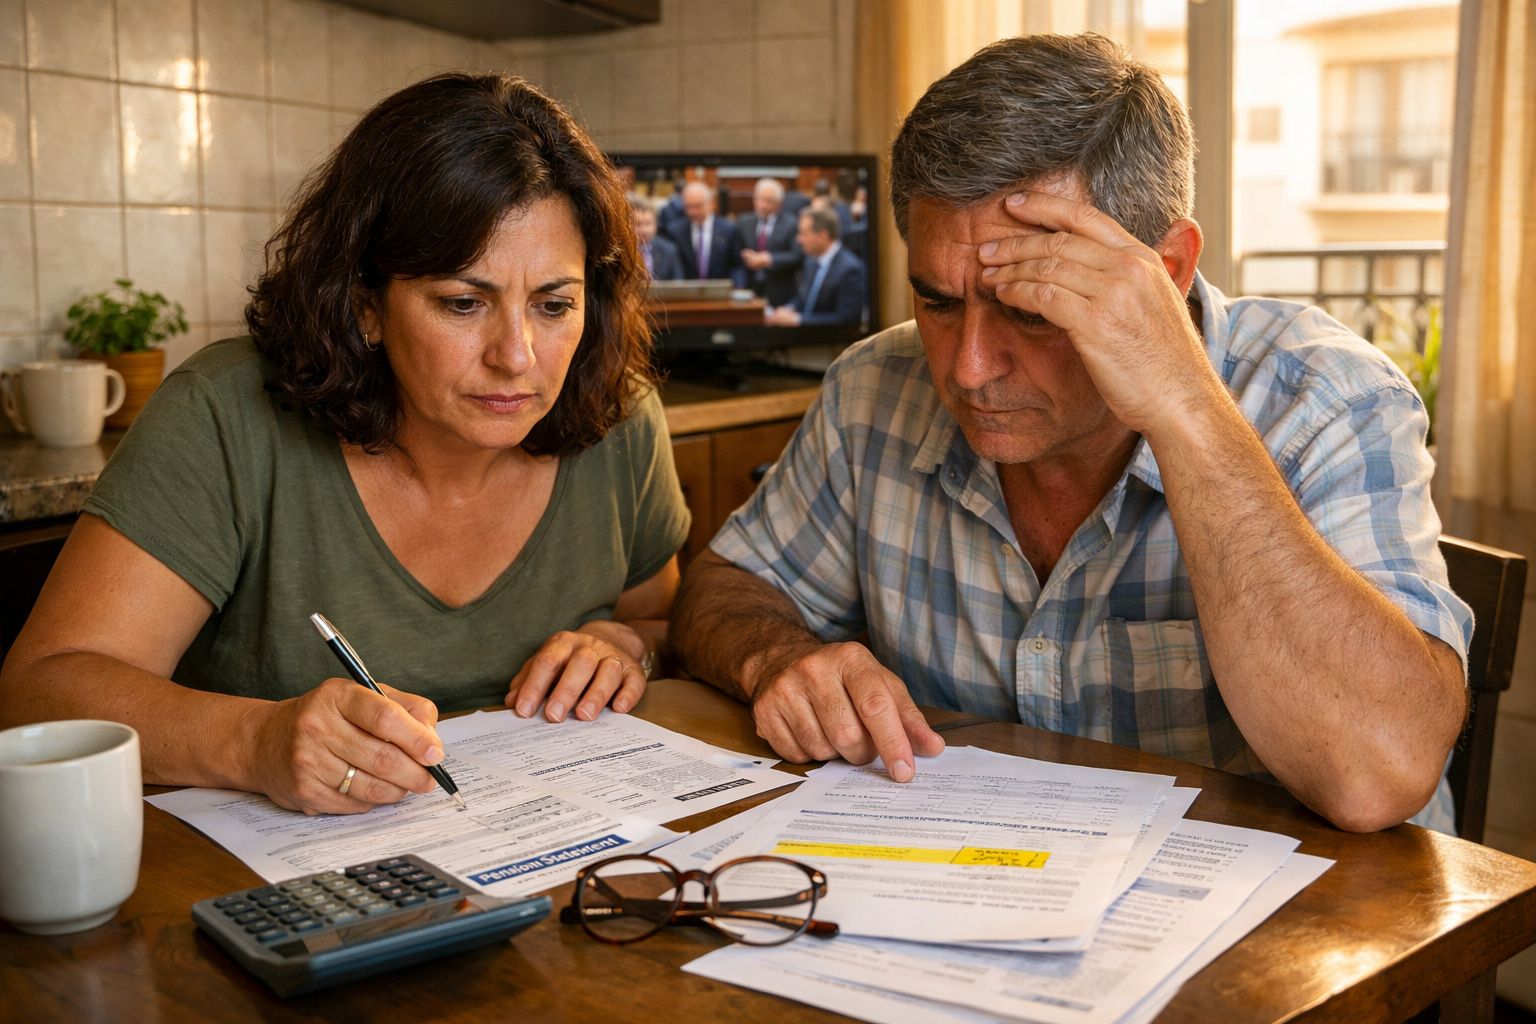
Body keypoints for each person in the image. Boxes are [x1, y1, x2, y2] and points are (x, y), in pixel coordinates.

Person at [672, 33, 1471, 834]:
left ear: (1169, 272)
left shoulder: (1324, 399)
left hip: (1301, 933)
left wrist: (1184, 407)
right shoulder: (872, 388)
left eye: (1031, 308)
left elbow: (1376, 777)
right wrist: (777, 657)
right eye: (940, 302)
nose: (971, 368)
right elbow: (728, 586)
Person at [0, 73, 691, 817]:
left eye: (554, 305)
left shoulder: (618, 416)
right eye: (464, 303)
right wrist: (254, 740)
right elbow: (40, 694)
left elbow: (660, 622)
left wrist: (625, 648)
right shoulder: (226, 415)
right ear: (364, 306)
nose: (517, 356)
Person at [765, 208, 866, 328]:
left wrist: (798, 320)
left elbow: (846, 319)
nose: (798, 239)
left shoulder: (850, 269)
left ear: (822, 235)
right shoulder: (811, 261)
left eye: (803, 233)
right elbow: (804, 299)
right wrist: (787, 309)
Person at [738, 177, 804, 306]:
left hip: (779, 290)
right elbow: (735, 253)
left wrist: (769, 259)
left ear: (779, 203)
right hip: (750, 289)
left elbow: (797, 255)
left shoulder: (791, 224)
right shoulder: (744, 222)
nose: (762, 205)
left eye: (768, 201)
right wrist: (745, 256)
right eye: (759, 200)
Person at [666, 180, 745, 285]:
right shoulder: (675, 231)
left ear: (711, 204)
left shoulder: (729, 230)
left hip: (720, 293)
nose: (692, 212)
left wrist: (737, 288)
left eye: (698, 206)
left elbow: (737, 266)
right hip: (687, 294)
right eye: (688, 207)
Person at [629, 195, 683, 281]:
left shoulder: (669, 251)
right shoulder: (622, 252)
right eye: (638, 224)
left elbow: (678, 286)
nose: (644, 230)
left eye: (648, 223)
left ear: (655, 224)